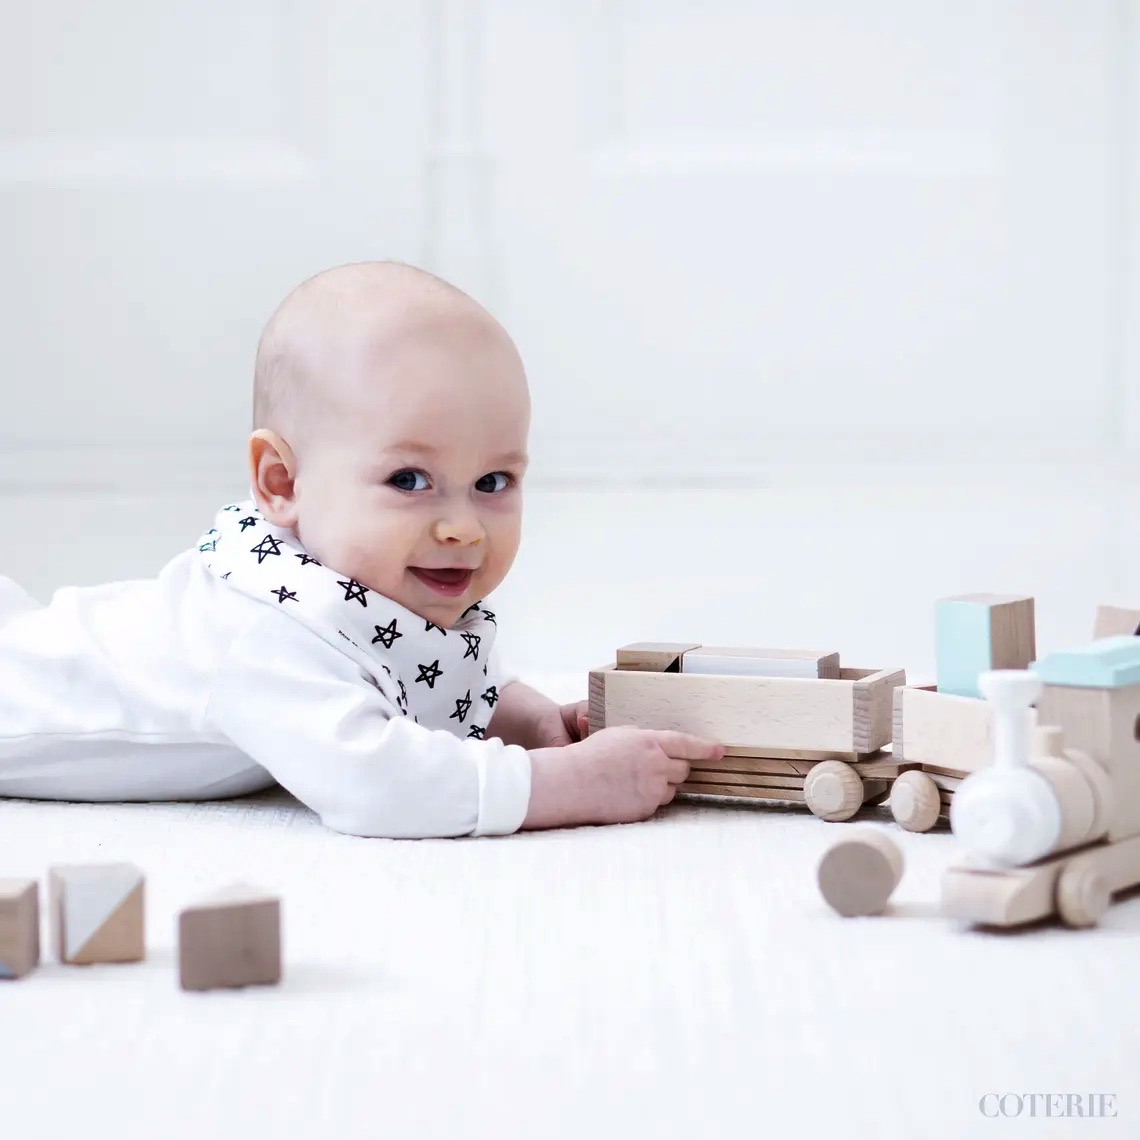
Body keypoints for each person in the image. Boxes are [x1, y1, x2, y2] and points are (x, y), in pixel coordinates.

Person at [0, 262, 723, 838]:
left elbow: (405, 681)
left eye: (492, 481)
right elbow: (376, 783)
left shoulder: (351, 591)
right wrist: (568, 785)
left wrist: (522, 718)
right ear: (281, 482)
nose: (463, 527)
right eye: (410, 480)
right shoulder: (263, 634)